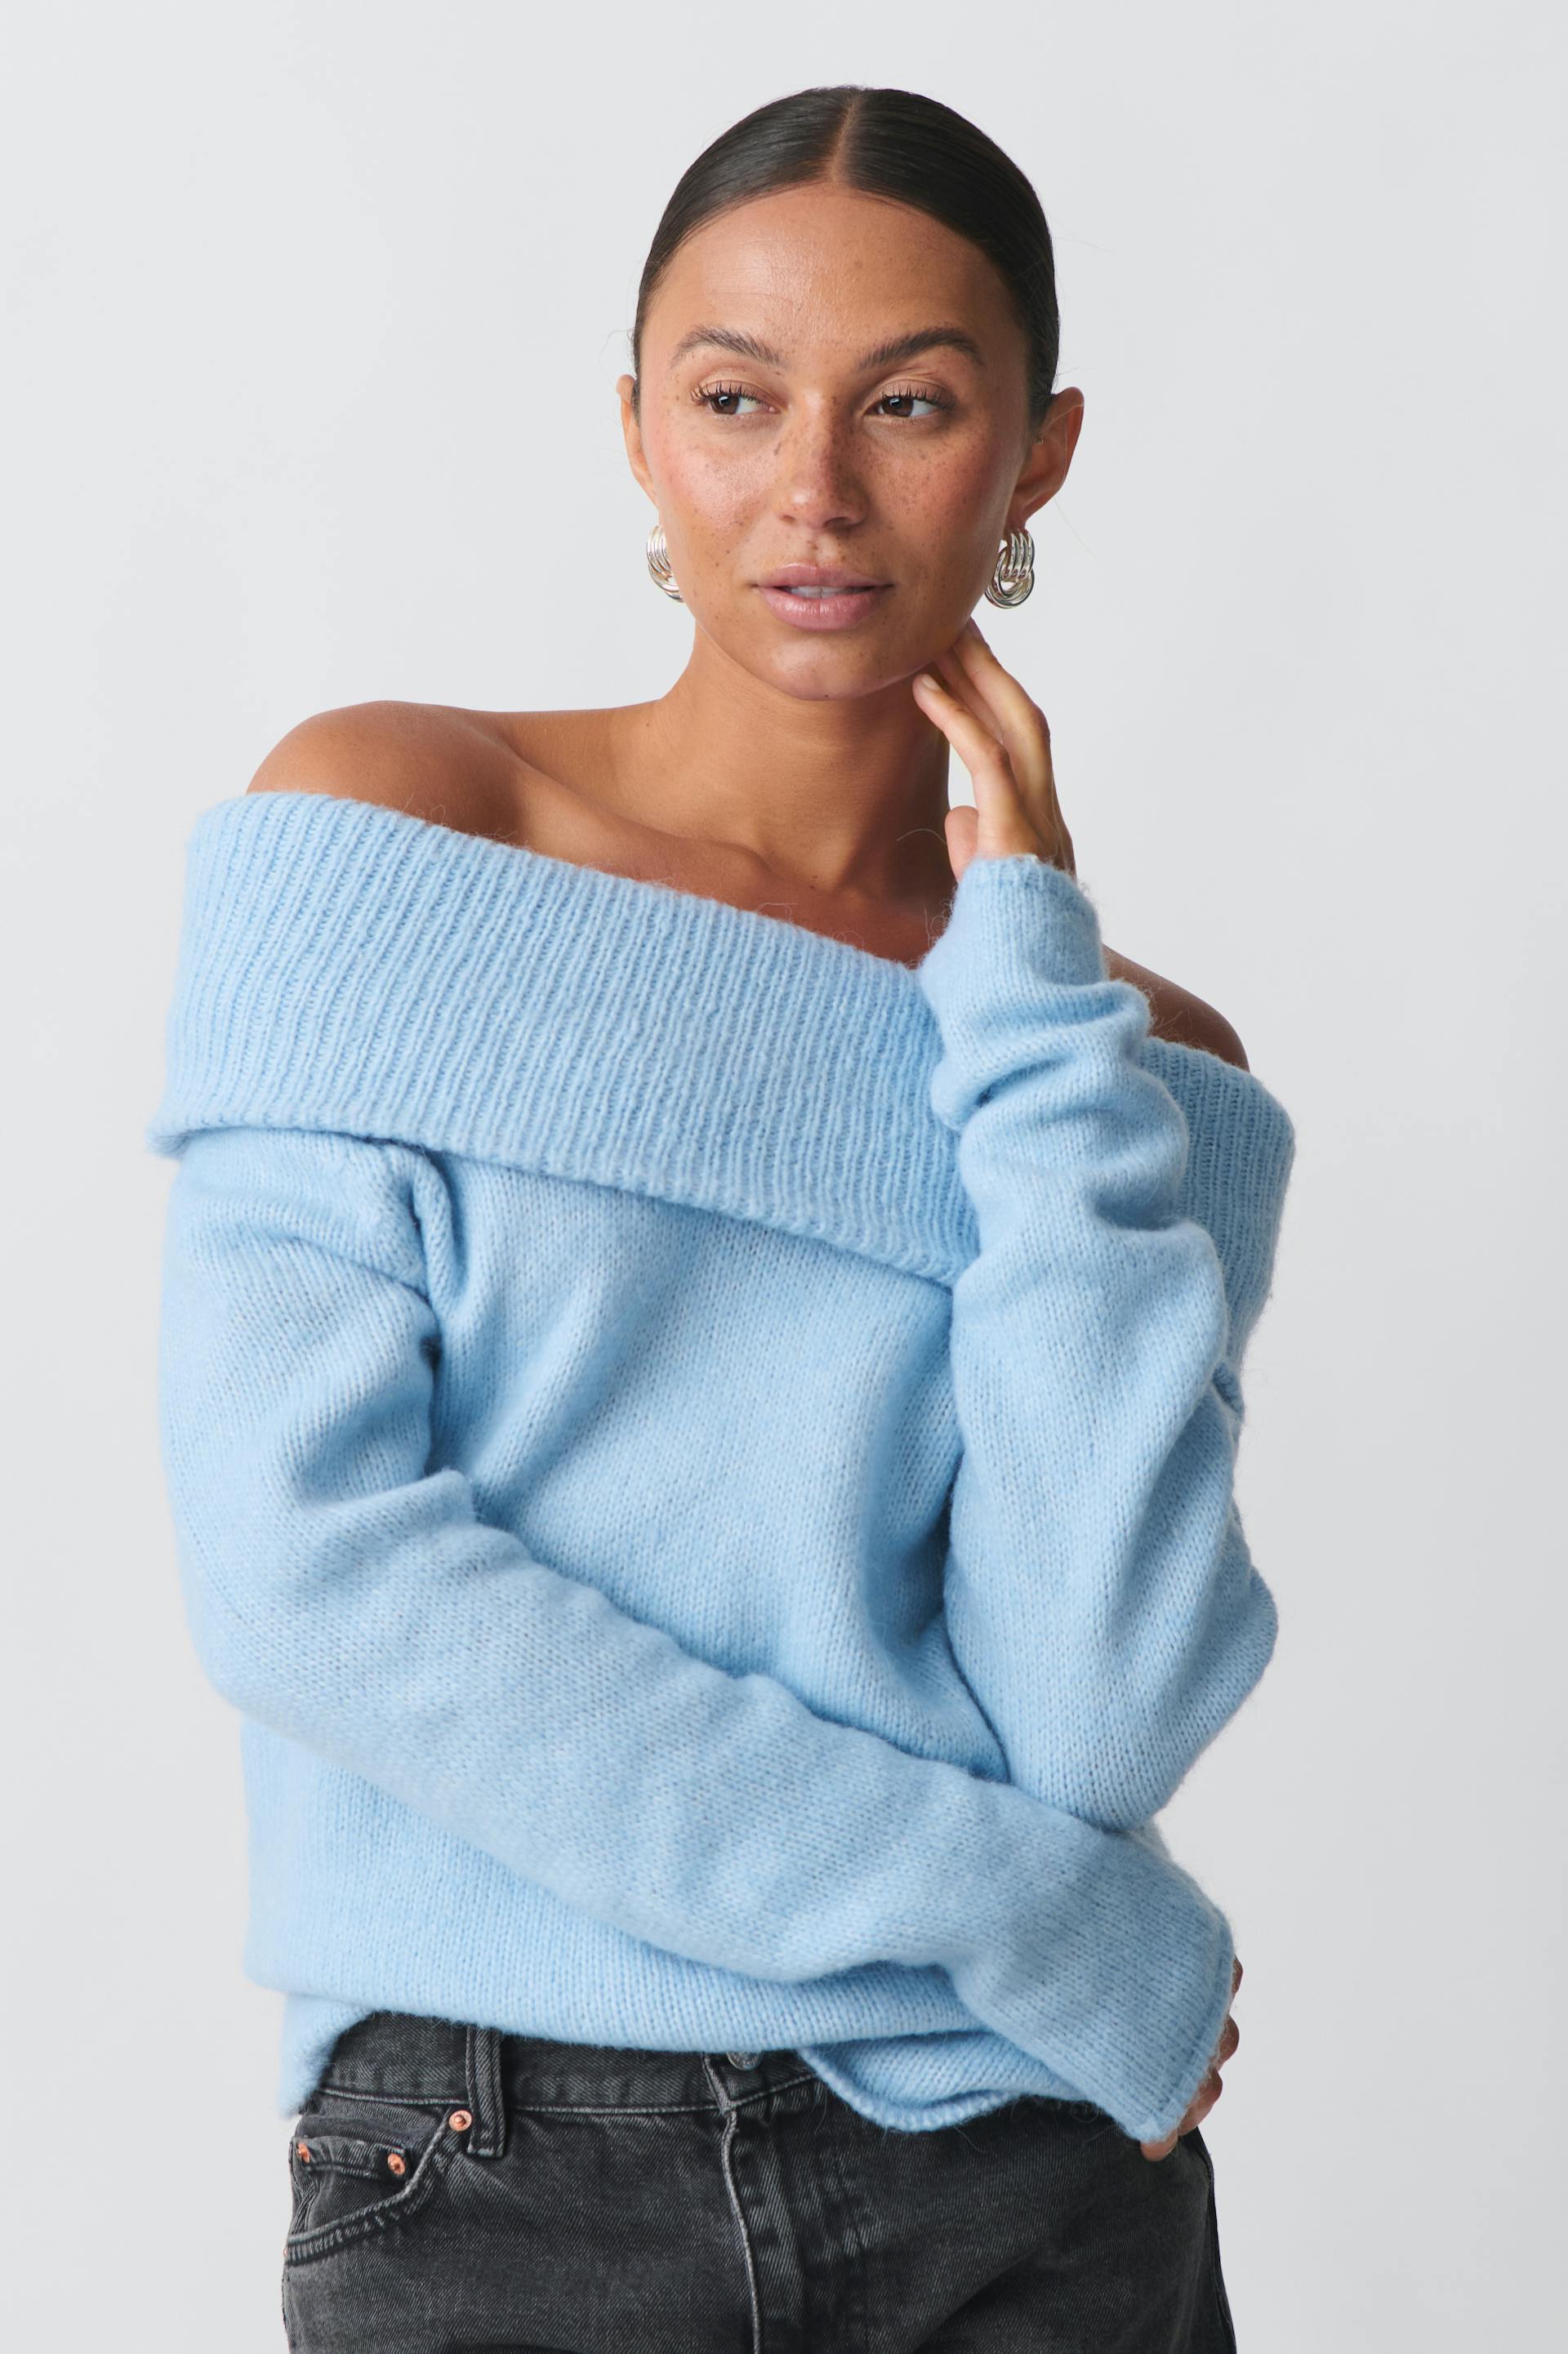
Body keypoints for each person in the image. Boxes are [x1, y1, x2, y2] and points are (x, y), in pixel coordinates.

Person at [146, 81, 1294, 2353]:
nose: (814, 491)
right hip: (497, 2157)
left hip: (1028, 2188)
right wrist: (1023, 1919)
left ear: (1039, 455)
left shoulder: (1126, 1066)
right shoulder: (397, 827)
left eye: (913, 403)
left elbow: (1094, 1715)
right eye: (738, 397)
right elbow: (307, 1571)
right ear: (638, 432)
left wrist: (1031, 992)